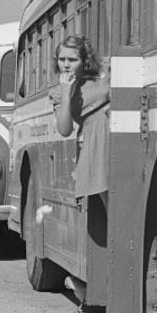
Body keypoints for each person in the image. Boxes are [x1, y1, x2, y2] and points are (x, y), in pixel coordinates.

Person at [50, 35, 110, 202]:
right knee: (108, 197)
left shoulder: (104, 70)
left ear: (84, 60)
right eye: (62, 59)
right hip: (95, 138)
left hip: (117, 128)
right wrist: (66, 93)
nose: (66, 65)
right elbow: (65, 129)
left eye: (72, 59)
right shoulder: (58, 93)